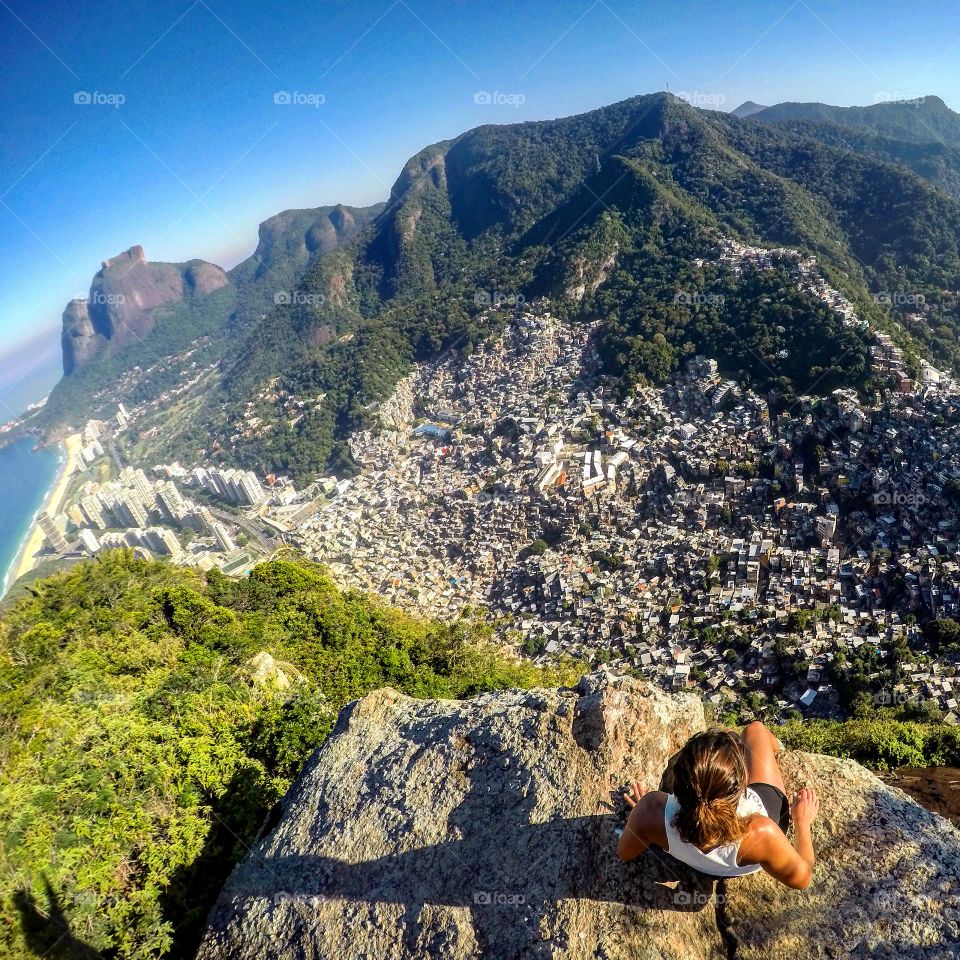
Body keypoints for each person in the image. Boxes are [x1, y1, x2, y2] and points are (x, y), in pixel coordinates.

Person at [616, 721, 819, 889]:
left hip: (698, 861)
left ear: (676, 782)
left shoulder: (650, 811)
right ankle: (781, 748)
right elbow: (803, 878)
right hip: (754, 841)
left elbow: (624, 853)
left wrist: (641, 817)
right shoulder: (761, 832)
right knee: (755, 730)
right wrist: (802, 822)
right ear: (742, 785)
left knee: (729, 739)